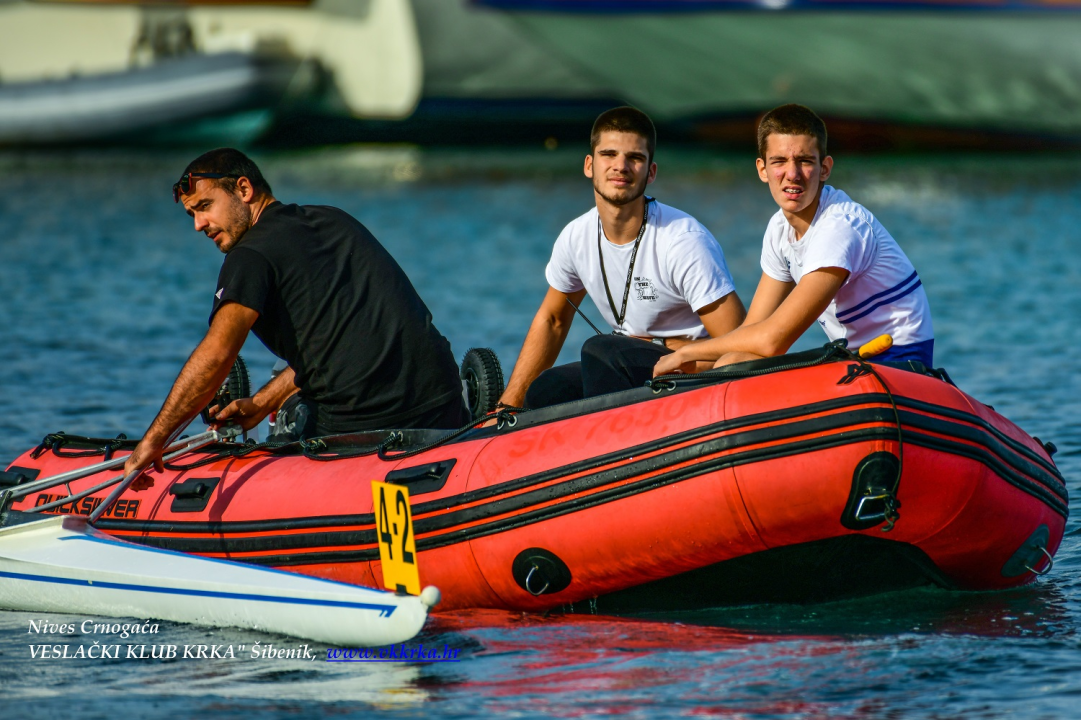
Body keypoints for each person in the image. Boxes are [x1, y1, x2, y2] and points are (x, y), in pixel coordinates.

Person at [123, 148, 465, 485]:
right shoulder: (333, 219)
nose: (199, 225)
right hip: (444, 407)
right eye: (192, 214)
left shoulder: (250, 255)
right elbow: (340, 343)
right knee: (283, 397)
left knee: (290, 419)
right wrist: (262, 401)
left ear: (244, 190)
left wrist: (154, 441)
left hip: (366, 430)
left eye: (205, 206)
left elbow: (217, 354)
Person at [654, 104, 934, 377]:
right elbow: (753, 328)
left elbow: (773, 341)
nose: (792, 174)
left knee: (736, 363)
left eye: (804, 161)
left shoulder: (839, 227)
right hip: (855, 359)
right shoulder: (779, 229)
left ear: (825, 168)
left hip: (903, 362)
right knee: (733, 360)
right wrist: (691, 366)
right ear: (762, 170)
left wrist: (687, 352)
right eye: (779, 161)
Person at [497, 106, 746, 410]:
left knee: (603, 351)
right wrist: (507, 407)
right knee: (545, 391)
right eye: (609, 154)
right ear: (589, 165)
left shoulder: (683, 241)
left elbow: (741, 344)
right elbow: (552, 320)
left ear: (651, 172)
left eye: (635, 158)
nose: (621, 166)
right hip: (623, 366)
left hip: (689, 372)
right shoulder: (576, 237)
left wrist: (665, 349)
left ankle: (620, 449)